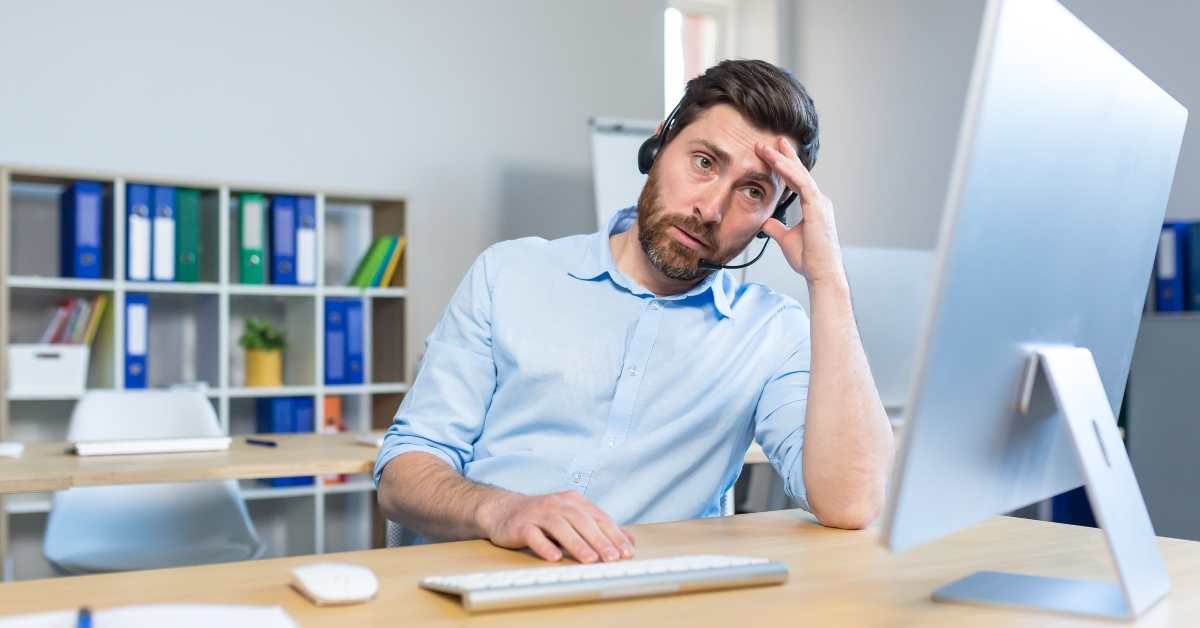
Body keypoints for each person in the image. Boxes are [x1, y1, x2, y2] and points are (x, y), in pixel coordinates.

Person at [376, 59, 894, 565]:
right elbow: (404, 472)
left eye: (753, 191)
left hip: (642, 604)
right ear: (658, 144)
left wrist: (828, 282)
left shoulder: (772, 331)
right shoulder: (507, 272)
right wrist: (500, 509)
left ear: (772, 219)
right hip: (479, 585)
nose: (711, 209)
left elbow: (852, 502)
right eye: (704, 162)